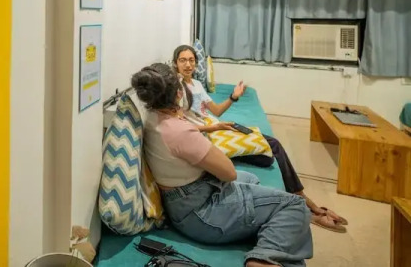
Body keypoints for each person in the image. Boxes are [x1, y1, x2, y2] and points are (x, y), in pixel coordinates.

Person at [134, 63, 314, 267]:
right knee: (295, 205)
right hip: (201, 213)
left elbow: (180, 139)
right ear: (178, 93)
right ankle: (262, 258)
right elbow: (229, 173)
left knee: (251, 178)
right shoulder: (180, 132)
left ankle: (266, 232)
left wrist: (205, 128)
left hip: (181, 203)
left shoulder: (152, 118)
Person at [167, 44, 349, 233]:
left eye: (191, 60)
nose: (188, 65)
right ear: (175, 63)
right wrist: (213, 127)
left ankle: (302, 199)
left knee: (270, 145)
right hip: (210, 135)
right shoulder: (177, 90)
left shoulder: (196, 84)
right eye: (182, 60)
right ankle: (305, 206)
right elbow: (182, 127)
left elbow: (217, 111)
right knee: (269, 153)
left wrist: (234, 97)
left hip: (218, 128)